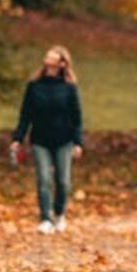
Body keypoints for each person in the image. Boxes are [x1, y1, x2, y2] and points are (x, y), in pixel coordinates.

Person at [10, 46, 83, 234]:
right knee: (43, 178)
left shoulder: (69, 88)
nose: (48, 57)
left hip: (63, 140)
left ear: (62, 63)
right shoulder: (34, 86)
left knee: (63, 181)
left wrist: (78, 142)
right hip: (40, 139)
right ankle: (45, 218)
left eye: (53, 56)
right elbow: (25, 114)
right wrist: (18, 138)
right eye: (48, 55)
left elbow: (76, 117)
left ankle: (59, 213)